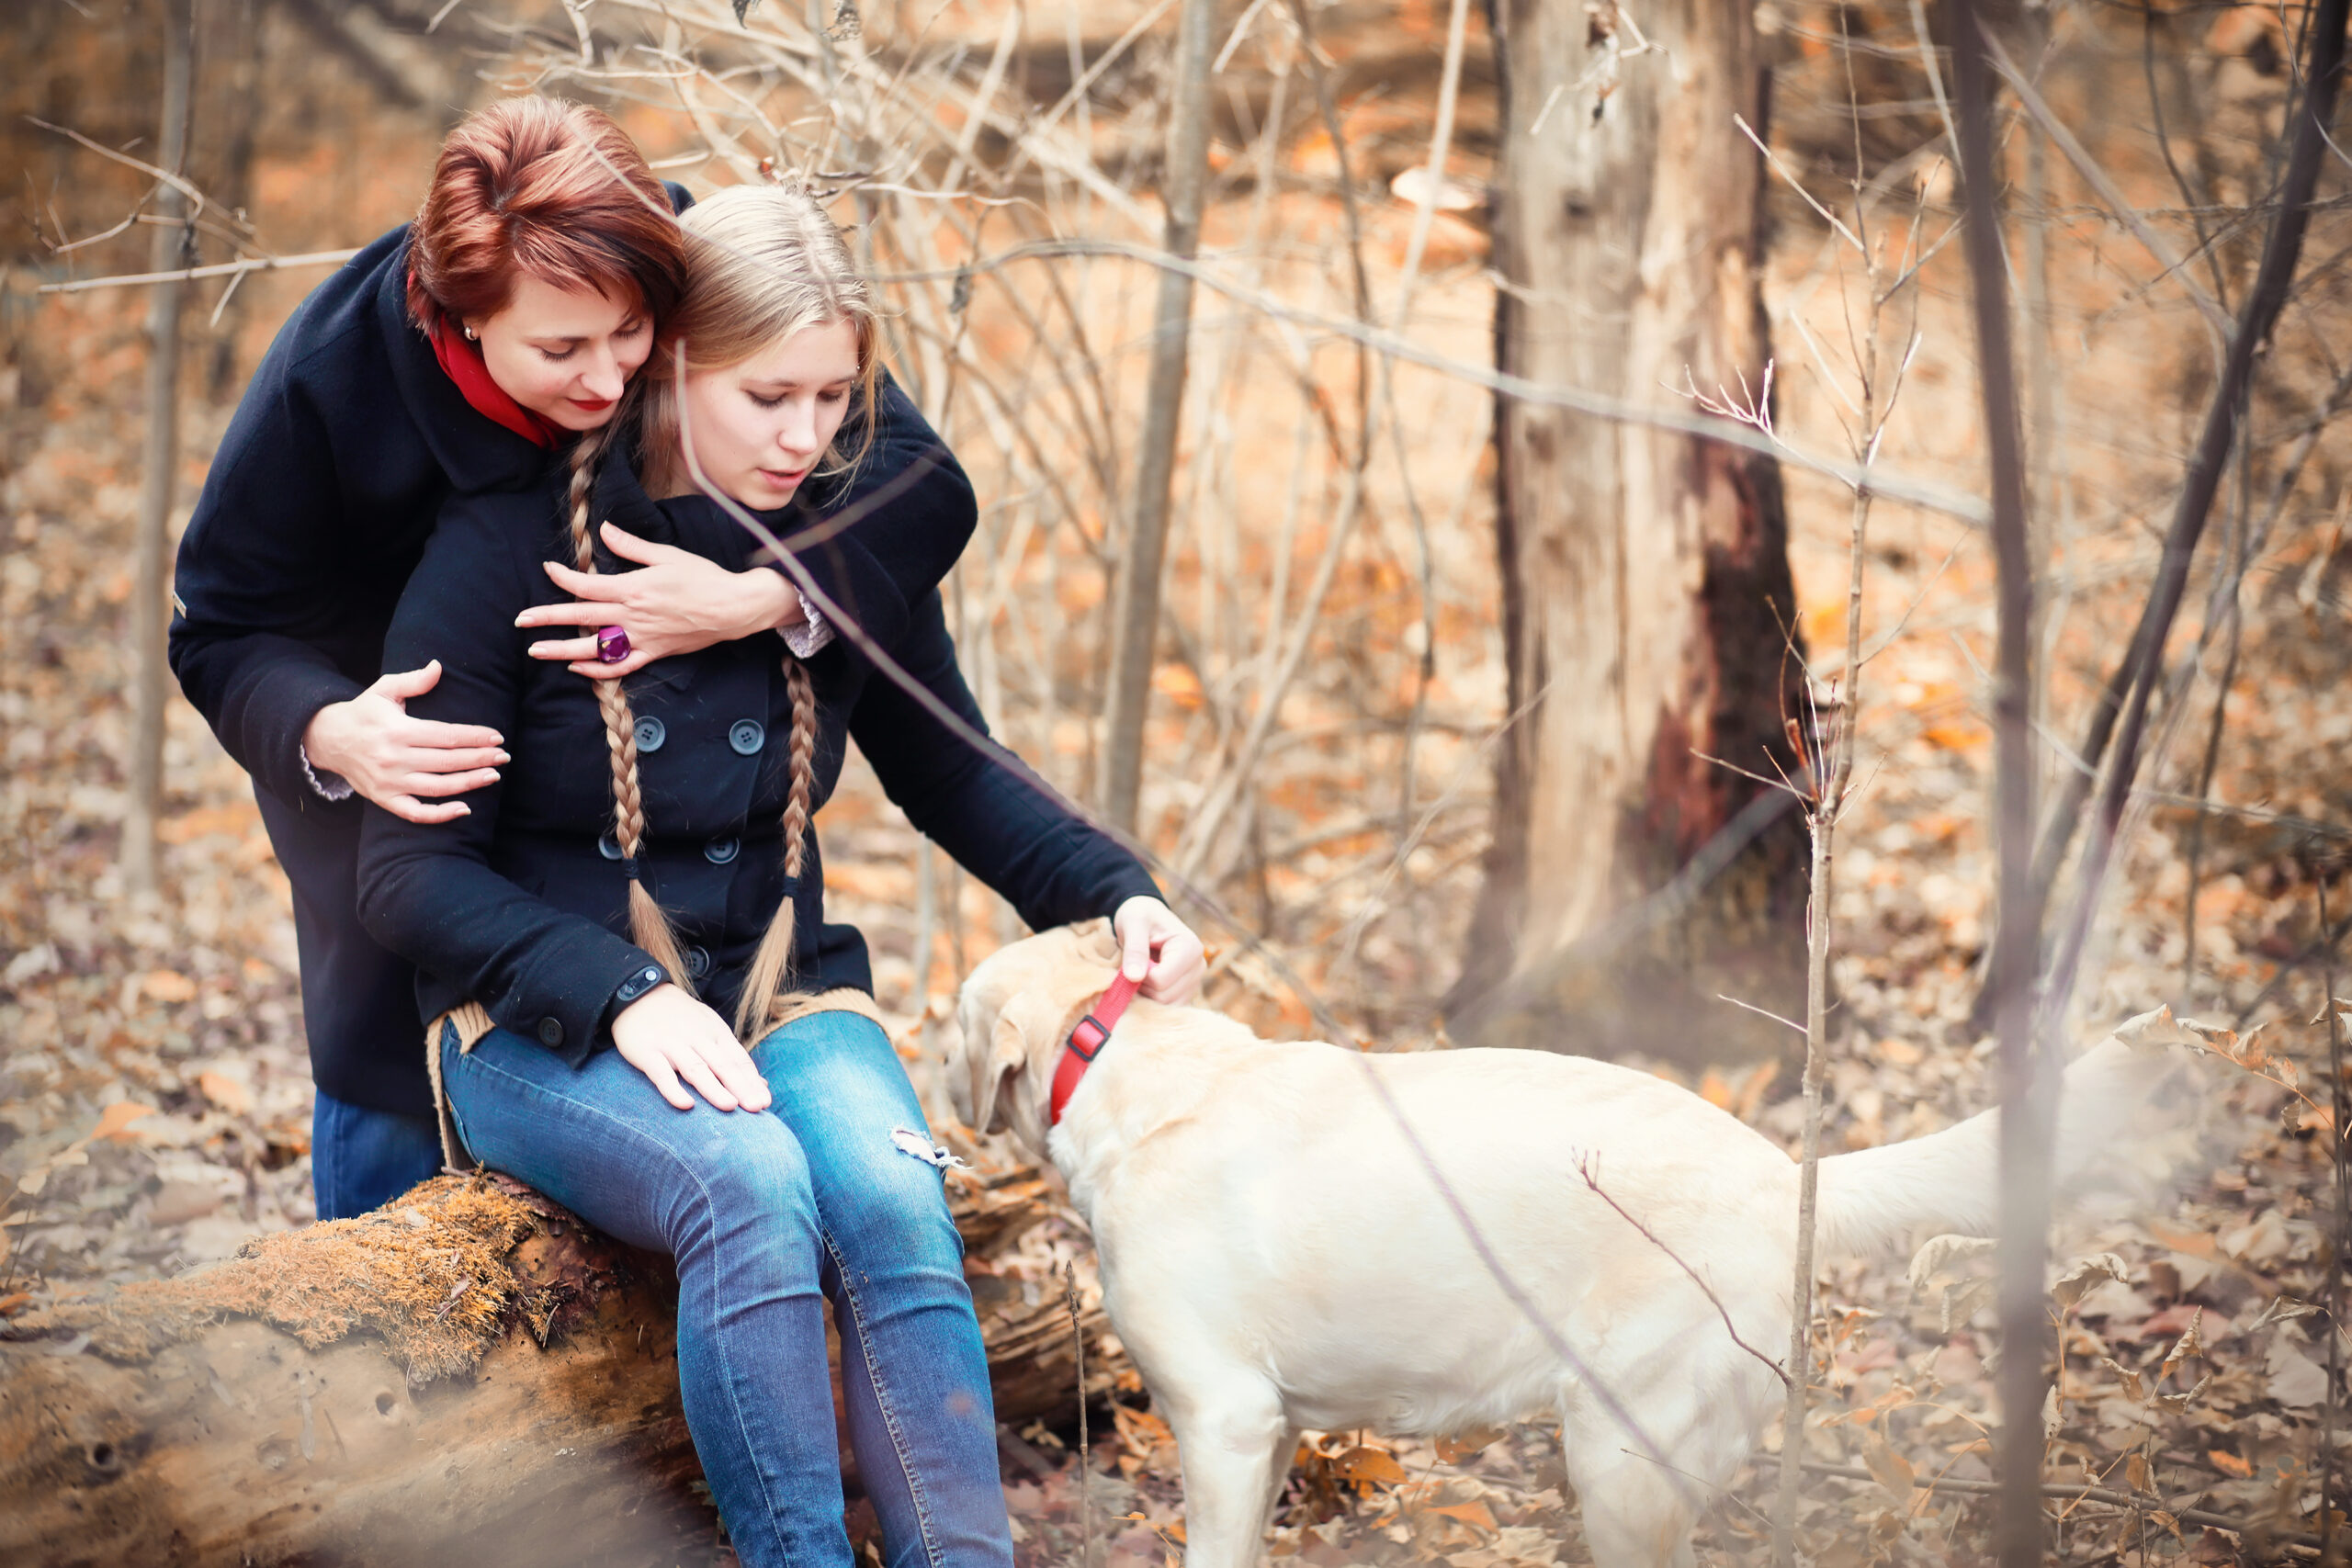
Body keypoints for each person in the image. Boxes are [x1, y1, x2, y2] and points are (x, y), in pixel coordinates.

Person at [353, 181, 1204, 1567]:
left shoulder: (830, 553)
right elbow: (404, 874)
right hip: (537, 1021)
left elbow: (959, 768)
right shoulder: (509, 542)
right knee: (744, 1179)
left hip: (779, 985)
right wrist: (623, 991)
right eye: (767, 397)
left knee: (887, 1191)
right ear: (670, 362)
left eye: (833, 397)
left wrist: (1120, 893)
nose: (806, 438)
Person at [167, 96, 976, 1219]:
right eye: (560, 350)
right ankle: (359, 1328)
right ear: (461, 313)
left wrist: (756, 595)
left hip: (594, 702)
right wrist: (329, 729)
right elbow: (215, 627)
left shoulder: (658, 255)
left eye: (631, 337)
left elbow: (918, 479)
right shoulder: (328, 382)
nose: (608, 380)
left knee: (625, 1007)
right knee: (384, 1009)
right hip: (390, 723)